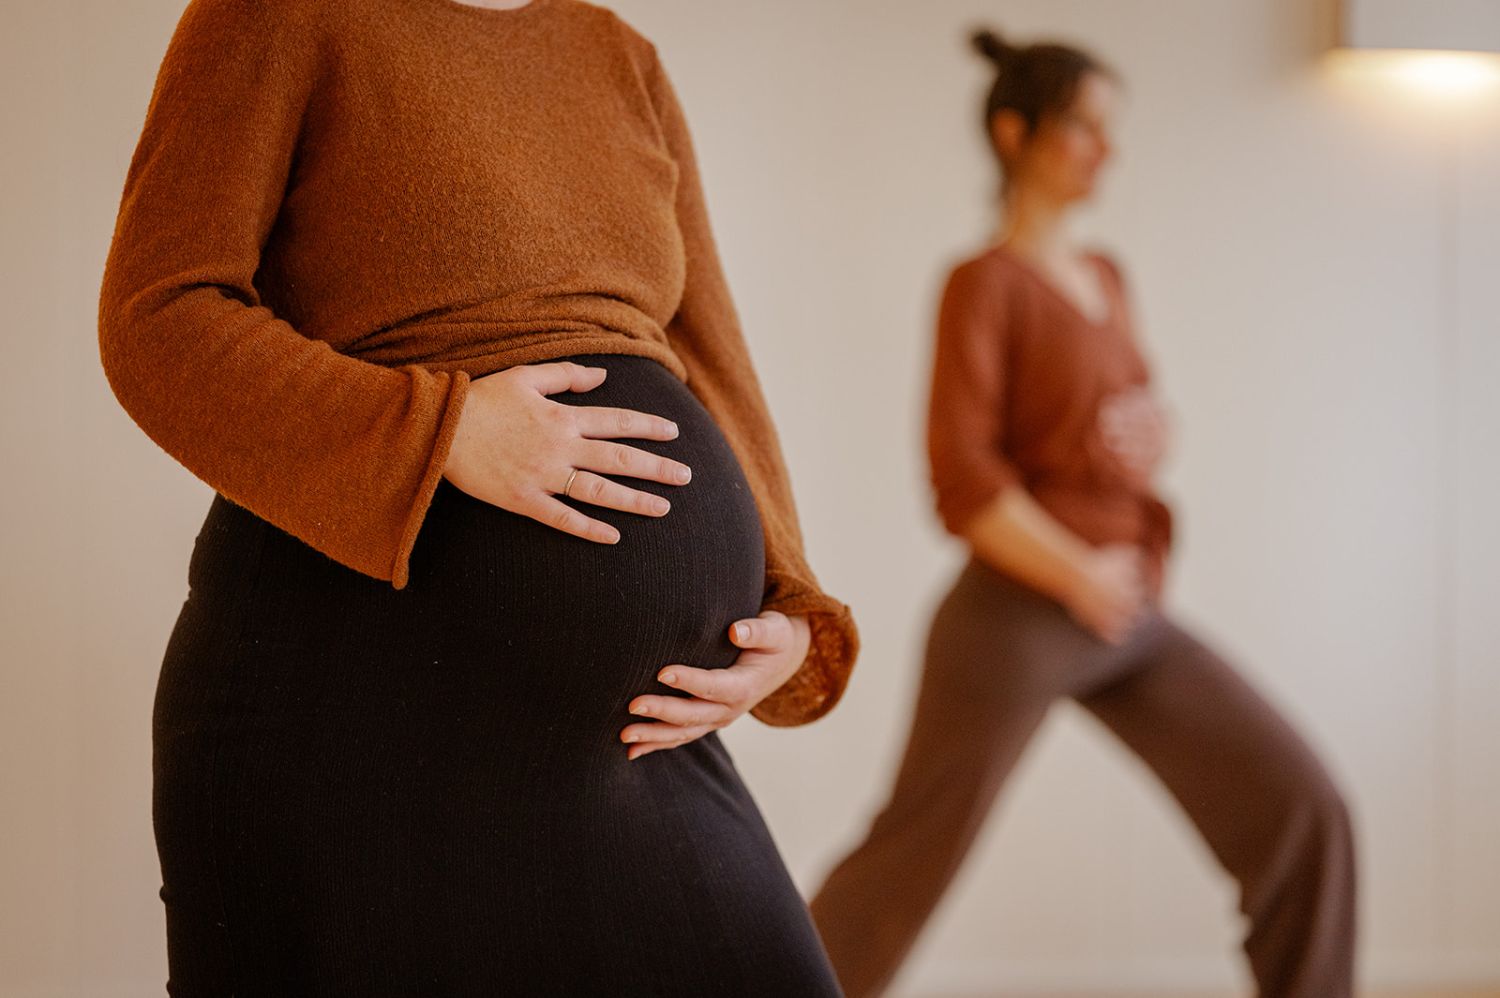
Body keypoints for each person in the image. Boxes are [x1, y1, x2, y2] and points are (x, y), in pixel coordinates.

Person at [96, 0, 858, 993]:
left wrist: (787, 594)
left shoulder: (619, 57)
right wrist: (443, 428)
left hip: (630, 744)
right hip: (349, 708)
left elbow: (710, 354)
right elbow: (158, 319)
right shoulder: (279, 13)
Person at [807, 27, 1356, 998]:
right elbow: (963, 481)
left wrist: (1153, 434)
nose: (1107, 149)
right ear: (1016, 134)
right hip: (1017, 614)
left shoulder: (1106, 276)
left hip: (1128, 603)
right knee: (904, 860)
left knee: (1302, 807)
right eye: (1085, 128)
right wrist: (1075, 573)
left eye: (1112, 130)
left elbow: (1116, 420)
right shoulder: (982, 284)